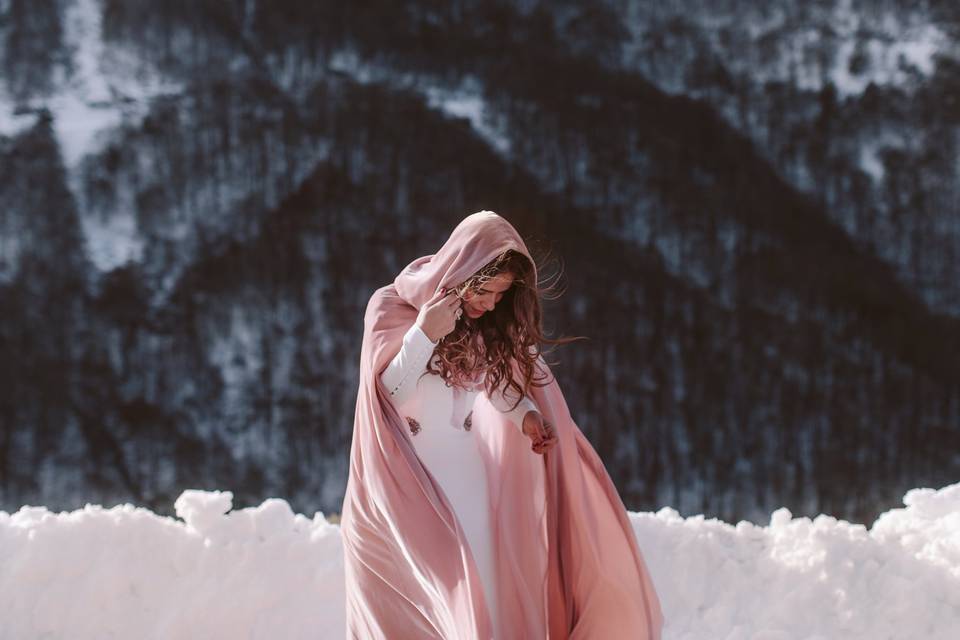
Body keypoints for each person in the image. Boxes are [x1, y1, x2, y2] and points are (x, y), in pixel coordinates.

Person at [340, 211, 663, 639]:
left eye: (501, 295)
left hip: (469, 487)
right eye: (487, 290)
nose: (491, 303)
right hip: (404, 492)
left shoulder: (479, 327)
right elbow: (387, 395)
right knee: (425, 610)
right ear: (463, 270)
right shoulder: (390, 307)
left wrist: (526, 415)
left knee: (483, 606)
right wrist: (424, 334)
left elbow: (494, 383)